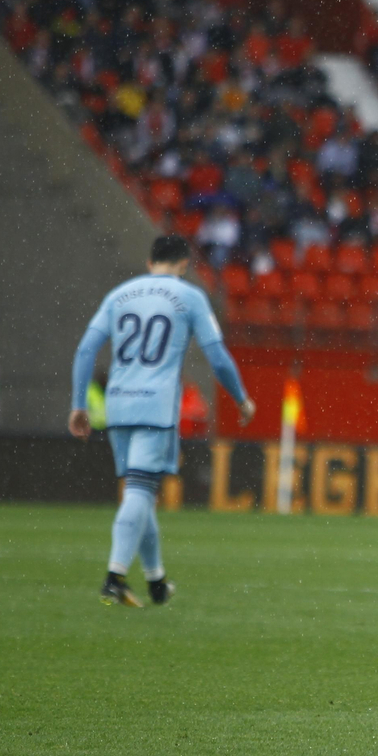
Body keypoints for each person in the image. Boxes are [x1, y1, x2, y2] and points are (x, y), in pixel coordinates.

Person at [69, 235, 256, 608]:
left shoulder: (119, 295)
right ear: (184, 265)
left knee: (140, 492)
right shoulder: (189, 296)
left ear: (149, 262)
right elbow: (217, 356)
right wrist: (241, 398)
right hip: (155, 406)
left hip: (118, 404)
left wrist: (78, 405)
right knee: (141, 492)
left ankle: (156, 581)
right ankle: (114, 577)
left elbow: (86, 348)